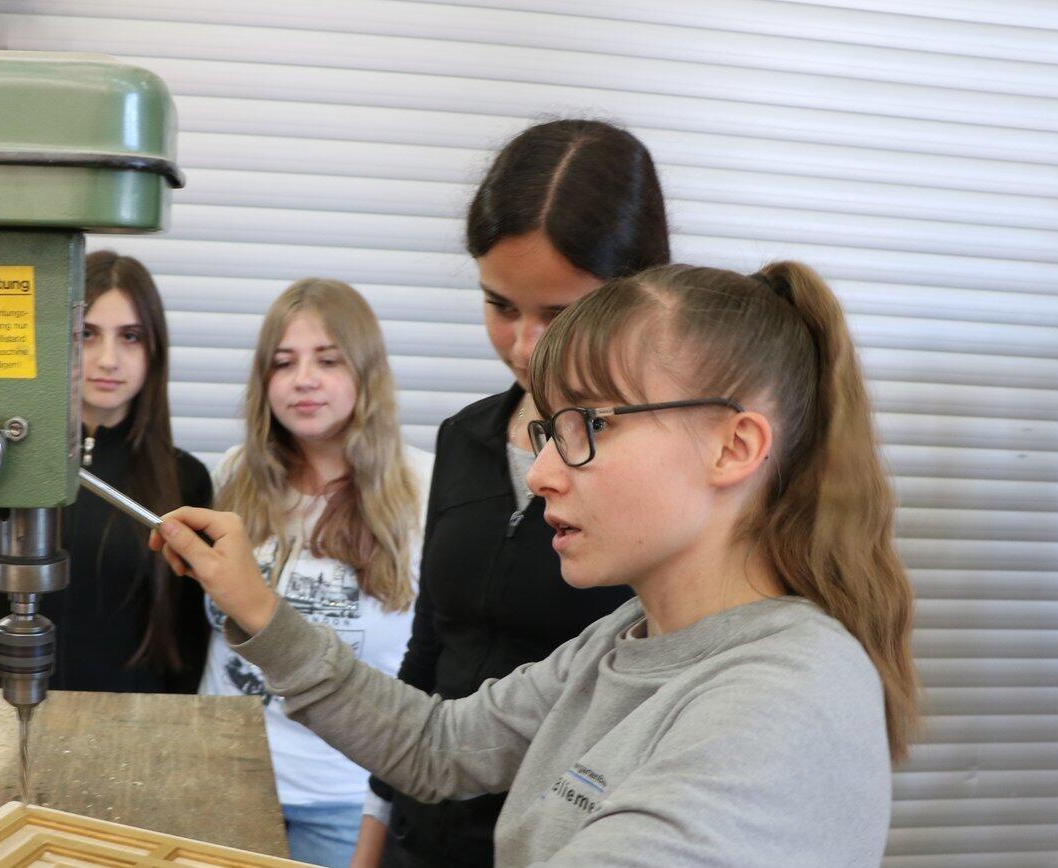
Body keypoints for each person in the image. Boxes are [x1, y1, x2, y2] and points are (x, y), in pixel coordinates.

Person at [153, 260, 920, 867]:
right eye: (549, 430)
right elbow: (438, 746)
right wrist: (259, 611)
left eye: (590, 425)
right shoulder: (626, 638)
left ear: (734, 446)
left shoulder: (783, 699)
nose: (544, 472)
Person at [359, 119, 671, 868]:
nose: (526, 347)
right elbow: (430, 652)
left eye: (560, 314)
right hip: (419, 836)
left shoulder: (669, 481)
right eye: (501, 306)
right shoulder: (463, 439)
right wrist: (372, 835)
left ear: (640, 296)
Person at [199, 278, 435, 868]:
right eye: (284, 363)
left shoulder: (426, 490)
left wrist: (377, 818)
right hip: (220, 773)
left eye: (328, 360)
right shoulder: (233, 474)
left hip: (343, 796)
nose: (304, 379)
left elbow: (429, 674)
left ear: (366, 372)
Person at [0, 250, 212, 694]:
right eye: (86, 334)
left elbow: (188, 638)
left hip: (129, 724)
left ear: (155, 351)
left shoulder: (187, 479)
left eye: (130, 337)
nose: (108, 359)